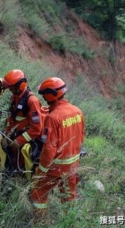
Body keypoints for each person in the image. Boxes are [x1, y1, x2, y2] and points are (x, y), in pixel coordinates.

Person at [30, 77, 85, 224]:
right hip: (73, 165)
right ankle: (70, 223)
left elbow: (49, 149)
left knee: (38, 193)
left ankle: (40, 223)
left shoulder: (53, 118)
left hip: (56, 168)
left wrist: (41, 171)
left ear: (49, 95)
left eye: (43, 95)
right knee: (69, 196)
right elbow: (81, 137)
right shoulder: (77, 111)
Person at [2, 69, 45, 178]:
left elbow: (36, 128)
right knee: (10, 159)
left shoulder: (32, 101)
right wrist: (7, 133)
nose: (10, 91)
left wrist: (19, 140)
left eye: (12, 88)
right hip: (15, 135)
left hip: (27, 139)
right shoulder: (14, 98)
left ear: (20, 85)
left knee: (21, 165)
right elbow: (11, 118)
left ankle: (20, 181)